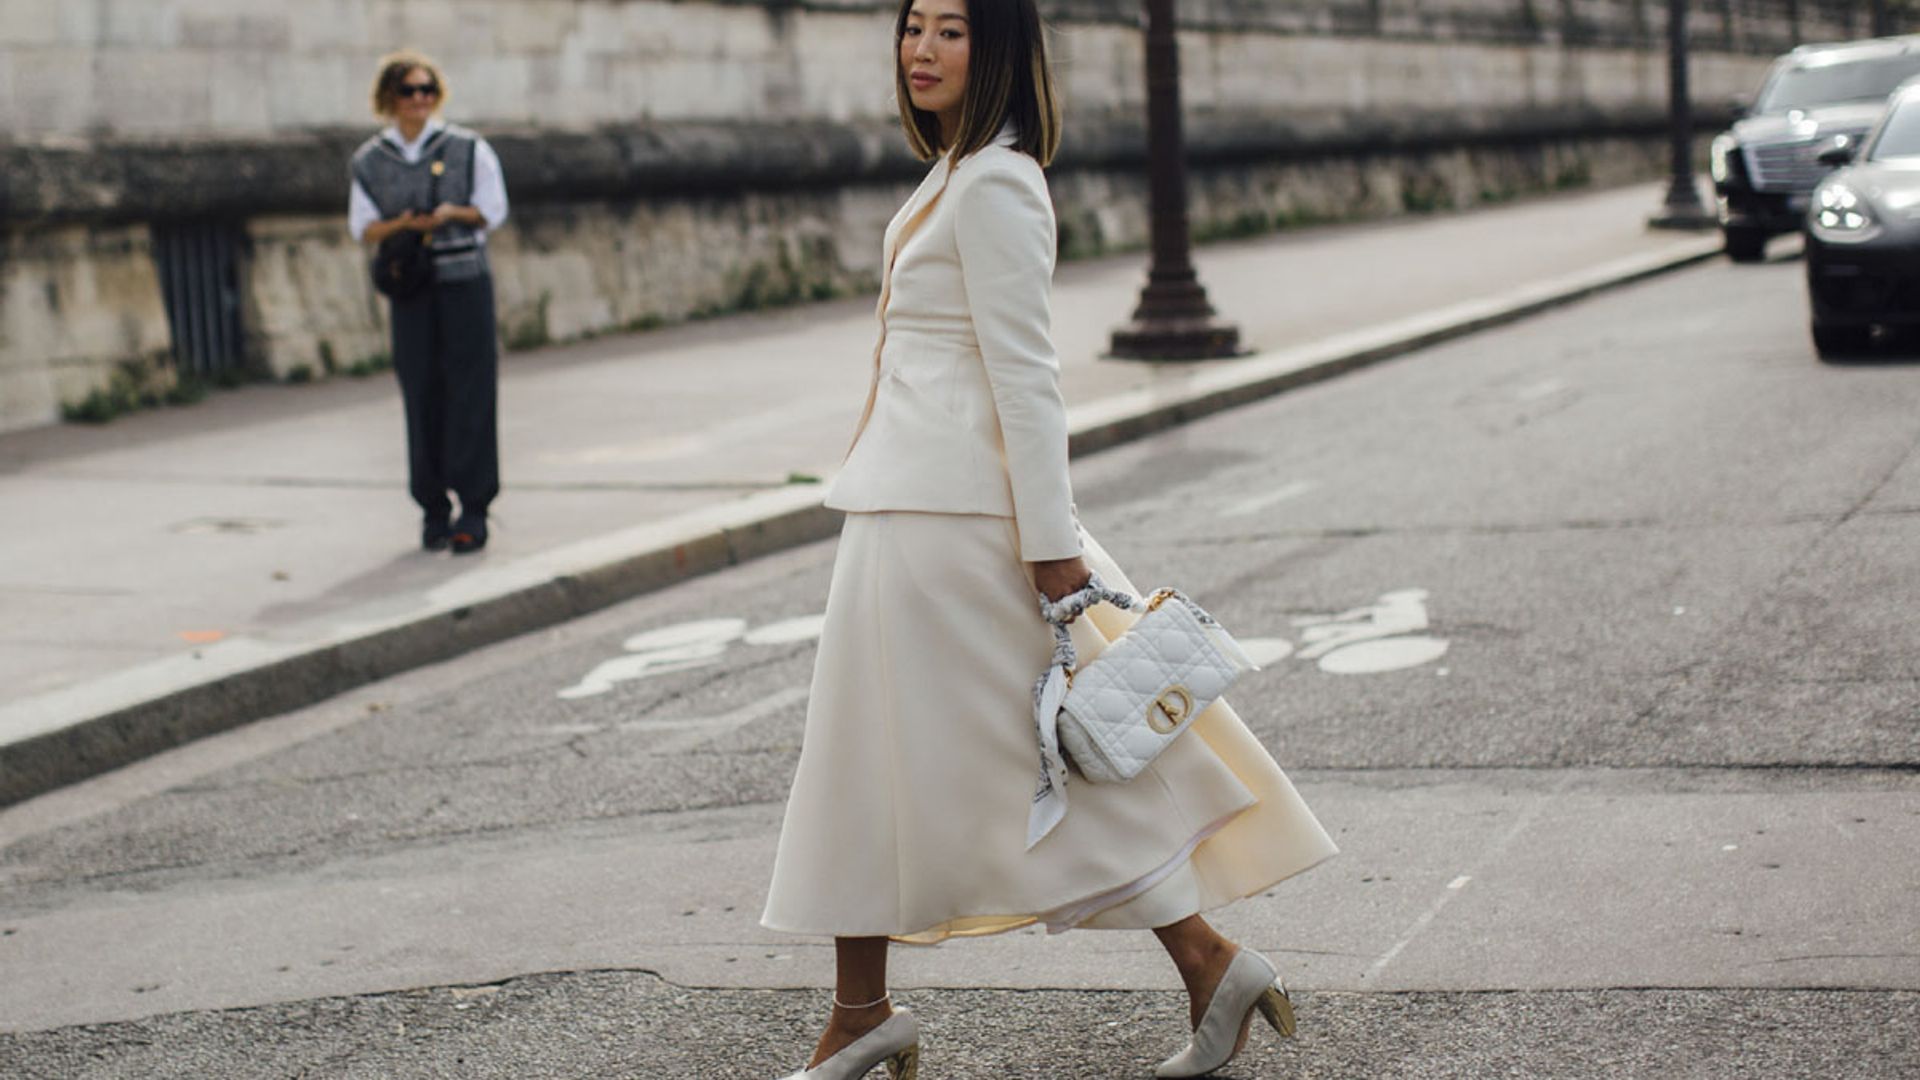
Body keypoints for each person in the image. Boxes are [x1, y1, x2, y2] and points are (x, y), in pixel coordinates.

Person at [759, 1, 1338, 1076]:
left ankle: (1202, 959)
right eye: (912, 27)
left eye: (951, 30)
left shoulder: (995, 183)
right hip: (907, 509)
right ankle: (865, 1009)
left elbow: (1028, 379)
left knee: (1030, 767)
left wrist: (1051, 545)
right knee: (881, 755)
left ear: (1001, 49)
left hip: (959, 527)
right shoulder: (956, 175)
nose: (921, 50)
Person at [349, 50, 509, 555]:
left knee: (472, 389)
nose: (419, 100)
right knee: (421, 392)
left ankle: (475, 507)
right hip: (413, 288)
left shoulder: (467, 147)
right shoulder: (370, 160)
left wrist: (451, 213)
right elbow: (363, 226)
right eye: (409, 91)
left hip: (464, 278)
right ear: (389, 100)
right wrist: (405, 224)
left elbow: (493, 210)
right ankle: (433, 507)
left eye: (427, 91)